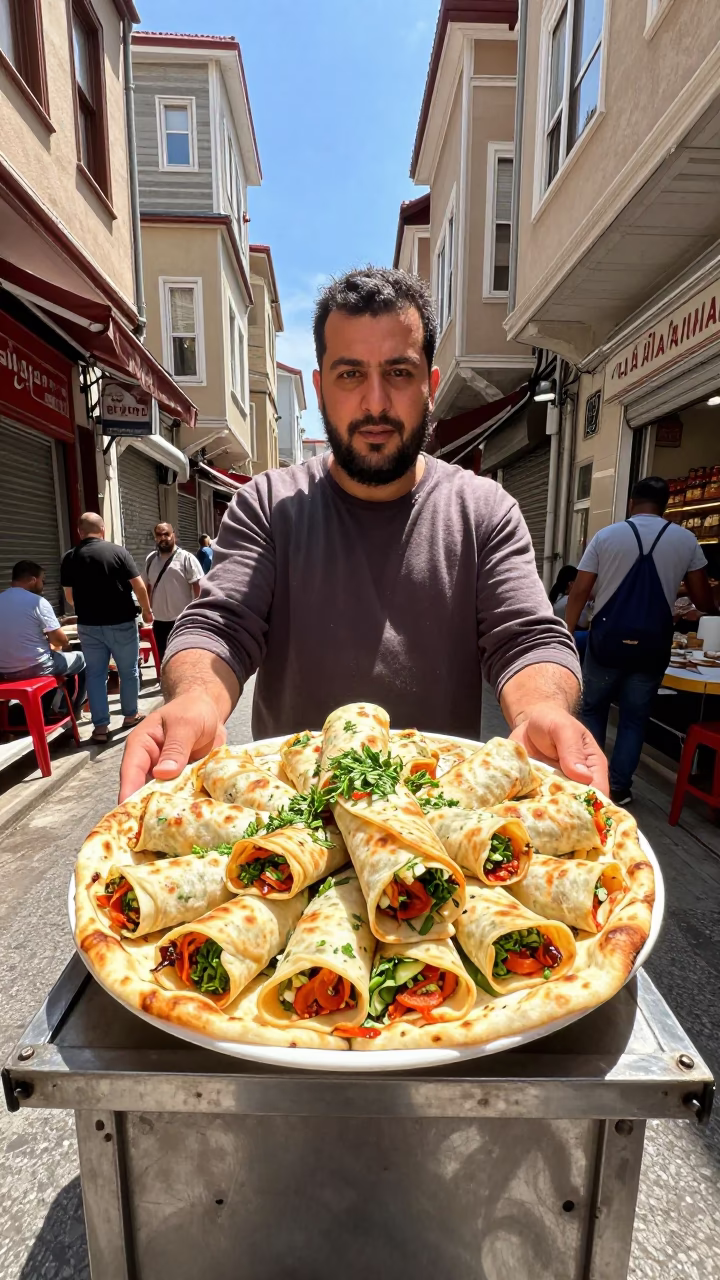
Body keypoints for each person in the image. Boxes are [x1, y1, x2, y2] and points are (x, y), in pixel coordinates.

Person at [120, 267, 606, 801]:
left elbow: (525, 637)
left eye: (398, 372)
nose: (375, 403)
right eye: (350, 374)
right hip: (292, 823)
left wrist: (544, 711)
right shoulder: (265, 503)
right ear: (321, 387)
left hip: (441, 819)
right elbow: (222, 626)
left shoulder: (485, 510)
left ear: (431, 385)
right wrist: (196, 700)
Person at [565, 475, 715, 804]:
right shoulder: (686, 541)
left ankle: (588, 784)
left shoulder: (606, 536)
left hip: (606, 642)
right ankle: (618, 788)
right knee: (634, 719)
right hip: (652, 646)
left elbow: (579, 590)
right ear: (665, 507)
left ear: (632, 503)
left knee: (593, 711)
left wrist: (565, 632)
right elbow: (704, 600)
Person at [61, 513, 153, 744]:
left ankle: (100, 727)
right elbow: (139, 585)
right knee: (128, 671)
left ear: (80, 532)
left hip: (89, 625)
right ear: (102, 529)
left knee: (95, 675)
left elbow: (70, 598)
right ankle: (130, 715)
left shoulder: (70, 557)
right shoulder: (118, 552)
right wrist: (147, 609)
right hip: (121, 622)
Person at [0, 560, 86, 720]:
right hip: (36, 667)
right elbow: (58, 639)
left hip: (4, 671)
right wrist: (66, 644)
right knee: (81, 659)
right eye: (42, 580)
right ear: (33, 580)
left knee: (54, 659)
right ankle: (71, 711)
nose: (43, 584)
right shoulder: (37, 601)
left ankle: (43, 708)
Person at [144, 523, 203, 664]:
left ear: (173, 535)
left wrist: (198, 612)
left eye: (166, 534)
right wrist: (146, 610)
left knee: (184, 657)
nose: (163, 538)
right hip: (159, 621)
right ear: (155, 538)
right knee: (165, 658)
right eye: (159, 535)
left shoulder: (186, 558)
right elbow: (148, 586)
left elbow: (198, 586)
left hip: (182, 619)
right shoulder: (151, 559)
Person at [550, 564, 591, 659]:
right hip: (568, 639)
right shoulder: (570, 601)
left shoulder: (556, 598)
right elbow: (584, 623)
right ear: (571, 584)